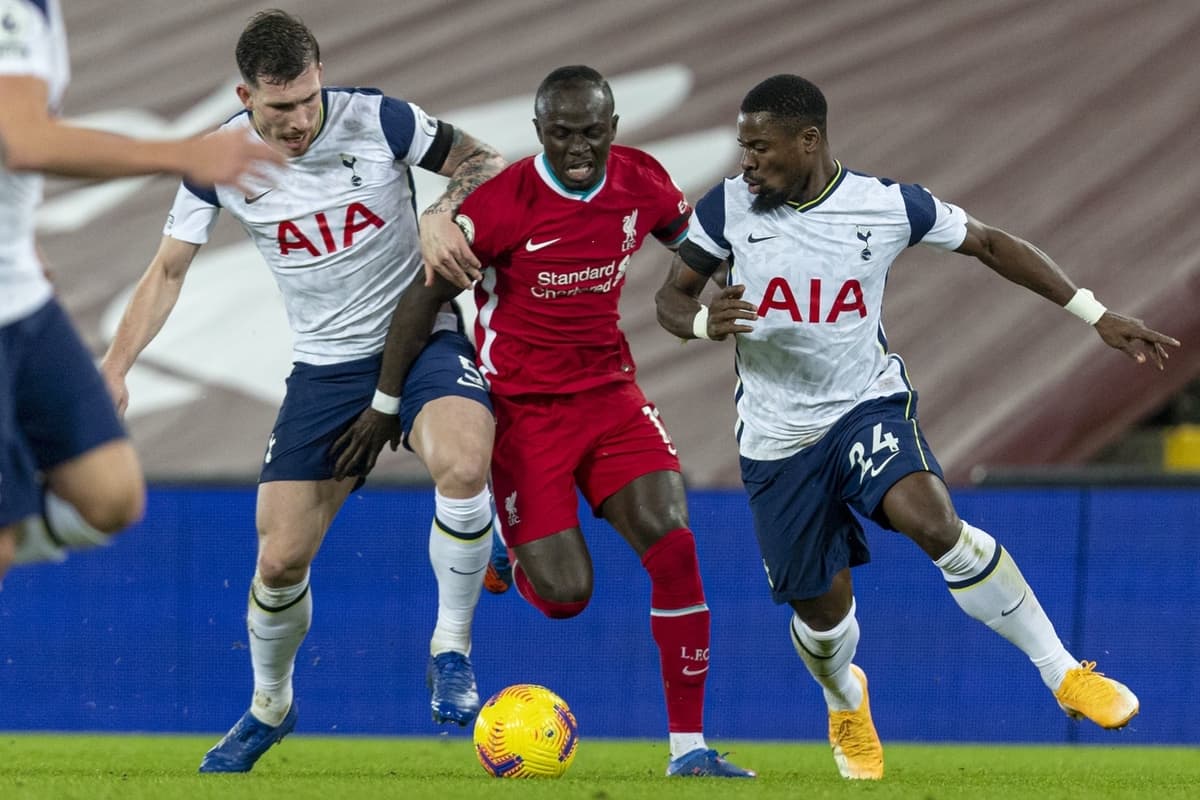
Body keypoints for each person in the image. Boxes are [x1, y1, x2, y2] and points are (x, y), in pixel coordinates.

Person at [655, 73, 1181, 780]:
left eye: (760, 147)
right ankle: (847, 701)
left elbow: (992, 245)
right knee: (824, 622)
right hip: (777, 439)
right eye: (743, 148)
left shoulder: (889, 204)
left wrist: (1095, 314)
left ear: (808, 140)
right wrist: (698, 323)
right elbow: (671, 297)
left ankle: (1062, 673)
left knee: (933, 522)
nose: (747, 161)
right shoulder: (726, 210)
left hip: (864, 405)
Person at [98, 10, 505, 773]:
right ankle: (271, 706)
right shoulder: (218, 158)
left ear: (321, 76)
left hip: (417, 340)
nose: (299, 121)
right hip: (325, 370)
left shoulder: (379, 119)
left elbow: (486, 158)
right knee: (279, 561)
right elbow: (168, 272)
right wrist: (115, 367)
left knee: (463, 461)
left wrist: (440, 207)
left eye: (309, 99)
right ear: (244, 95)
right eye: (279, 108)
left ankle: (451, 648)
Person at [337, 65, 756, 779]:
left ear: (614, 128)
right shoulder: (504, 204)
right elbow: (419, 301)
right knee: (566, 599)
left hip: (611, 398)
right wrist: (384, 403)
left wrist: (737, 290)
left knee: (675, 543)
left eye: (592, 132)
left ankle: (688, 750)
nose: (579, 148)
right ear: (539, 134)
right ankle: (505, 540)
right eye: (562, 133)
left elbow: (699, 250)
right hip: (525, 414)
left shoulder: (642, 180)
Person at [0, 0, 282, 579]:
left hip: (19, 295)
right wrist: (183, 152)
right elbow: (25, 141)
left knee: (110, 497)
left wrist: (20, 241)